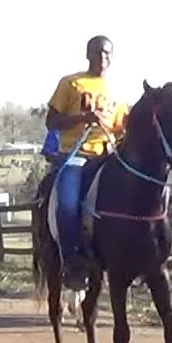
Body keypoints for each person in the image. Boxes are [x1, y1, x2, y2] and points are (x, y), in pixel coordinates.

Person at [45, 35, 128, 290]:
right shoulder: (71, 83)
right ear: (88, 55)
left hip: (108, 155)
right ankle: (73, 263)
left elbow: (121, 128)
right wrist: (83, 117)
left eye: (107, 54)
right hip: (76, 155)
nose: (102, 59)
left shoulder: (118, 92)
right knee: (68, 205)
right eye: (97, 53)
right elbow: (51, 121)